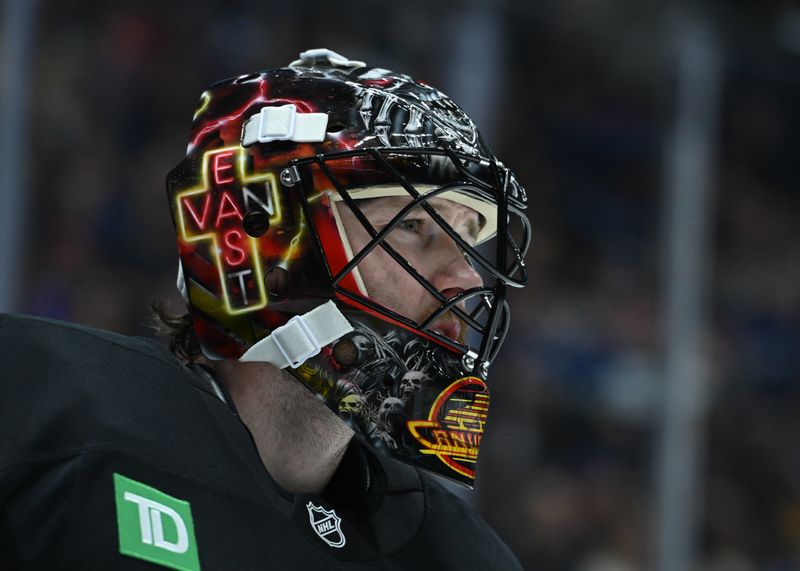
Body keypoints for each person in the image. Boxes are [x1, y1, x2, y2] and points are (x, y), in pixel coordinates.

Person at [0, 49, 530, 569]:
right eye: (413, 226)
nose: (466, 278)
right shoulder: (38, 402)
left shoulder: (460, 555)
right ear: (266, 241)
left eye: (466, 240)